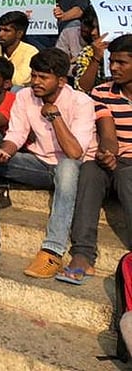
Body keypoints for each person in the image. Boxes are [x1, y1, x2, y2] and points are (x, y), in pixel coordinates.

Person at [0, 49, 97, 278]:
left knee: (67, 168)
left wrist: (54, 116)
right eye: (34, 75)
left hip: (74, 169)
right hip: (39, 164)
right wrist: (4, 152)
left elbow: (75, 152)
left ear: (61, 81)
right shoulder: (25, 96)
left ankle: (52, 251)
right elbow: (16, 134)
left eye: (43, 77)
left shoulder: (82, 102)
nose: (36, 82)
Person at [63, 35, 132, 283]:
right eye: (112, 61)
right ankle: (82, 254)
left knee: (127, 174)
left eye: (122, 63)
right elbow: (106, 130)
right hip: (112, 159)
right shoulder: (102, 92)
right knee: (90, 170)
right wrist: (107, 152)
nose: (114, 67)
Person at [0, 11, 37, 87]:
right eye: (0, 30)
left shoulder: (31, 52)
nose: (0, 34)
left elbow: (19, 82)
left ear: (19, 34)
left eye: (6, 30)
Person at [71, 7, 109, 93]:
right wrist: (96, 58)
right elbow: (81, 88)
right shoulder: (88, 52)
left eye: (99, 28)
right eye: (92, 28)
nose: (93, 33)